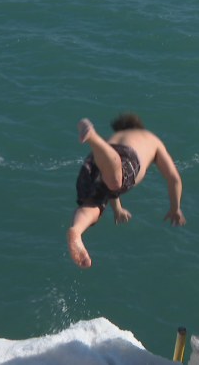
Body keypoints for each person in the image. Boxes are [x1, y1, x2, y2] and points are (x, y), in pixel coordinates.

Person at [67, 112, 186, 268]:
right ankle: (93, 138)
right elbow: (174, 178)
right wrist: (175, 207)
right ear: (138, 127)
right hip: (117, 157)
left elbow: (112, 191)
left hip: (96, 159)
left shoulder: (113, 136)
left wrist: (117, 209)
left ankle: (76, 230)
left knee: (92, 204)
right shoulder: (150, 138)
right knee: (117, 179)